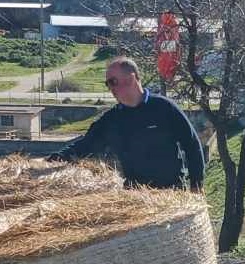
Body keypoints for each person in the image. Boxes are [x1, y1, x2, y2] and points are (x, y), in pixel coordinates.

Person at [54, 57, 205, 189]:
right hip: (134, 197)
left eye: (112, 82)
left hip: (172, 192)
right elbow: (85, 145)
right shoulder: (111, 119)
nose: (110, 88)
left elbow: (192, 145)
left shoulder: (164, 108)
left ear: (131, 79)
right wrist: (53, 160)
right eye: (107, 84)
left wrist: (196, 185)